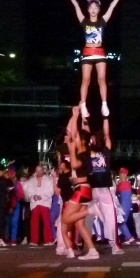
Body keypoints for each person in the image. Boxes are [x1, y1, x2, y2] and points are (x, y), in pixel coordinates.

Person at [64, 0, 126, 118]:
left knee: (102, 79)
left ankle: (104, 104)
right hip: (87, 52)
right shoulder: (84, 21)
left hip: (99, 52)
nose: (93, 10)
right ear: (88, 9)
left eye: (95, 8)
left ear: (98, 10)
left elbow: (112, 7)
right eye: (91, 8)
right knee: (85, 79)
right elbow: (75, 6)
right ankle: (83, 104)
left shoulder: (102, 21)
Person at [60, 107, 98, 259]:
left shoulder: (82, 152)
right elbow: (72, 132)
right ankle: (93, 251)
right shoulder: (84, 149)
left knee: (65, 219)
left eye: (76, 139)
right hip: (84, 189)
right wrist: (75, 116)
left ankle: (92, 210)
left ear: (81, 141)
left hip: (81, 189)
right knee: (79, 224)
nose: (73, 139)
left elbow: (75, 165)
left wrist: (71, 148)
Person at [86, 118, 122, 254]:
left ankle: (112, 245)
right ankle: (89, 245)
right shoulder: (90, 150)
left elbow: (107, 135)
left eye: (94, 138)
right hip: (95, 190)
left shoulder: (105, 150)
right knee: (103, 218)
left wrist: (106, 118)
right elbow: (87, 134)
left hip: (100, 189)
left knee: (108, 218)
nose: (92, 140)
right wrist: (87, 120)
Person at [23, 164, 54, 246]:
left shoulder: (48, 180)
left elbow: (51, 191)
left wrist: (42, 196)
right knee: (34, 223)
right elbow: (27, 191)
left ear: (43, 170)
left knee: (46, 222)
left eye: (40, 170)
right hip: (35, 203)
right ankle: (34, 240)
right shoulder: (31, 181)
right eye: (37, 171)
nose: (39, 172)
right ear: (35, 171)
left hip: (45, 203)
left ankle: (48, 240)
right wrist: (33, 197)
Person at [115, 167, 135, 244]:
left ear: (125, 174)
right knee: (120, 222)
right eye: (120, 173)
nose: (120, 175)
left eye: (121, 173)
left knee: (121, 222)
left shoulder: (125, 184)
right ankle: (126, 237)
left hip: (125, 206)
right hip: (122, 205)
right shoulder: (121, 184)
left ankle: (128, 237)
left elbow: (123, 197)